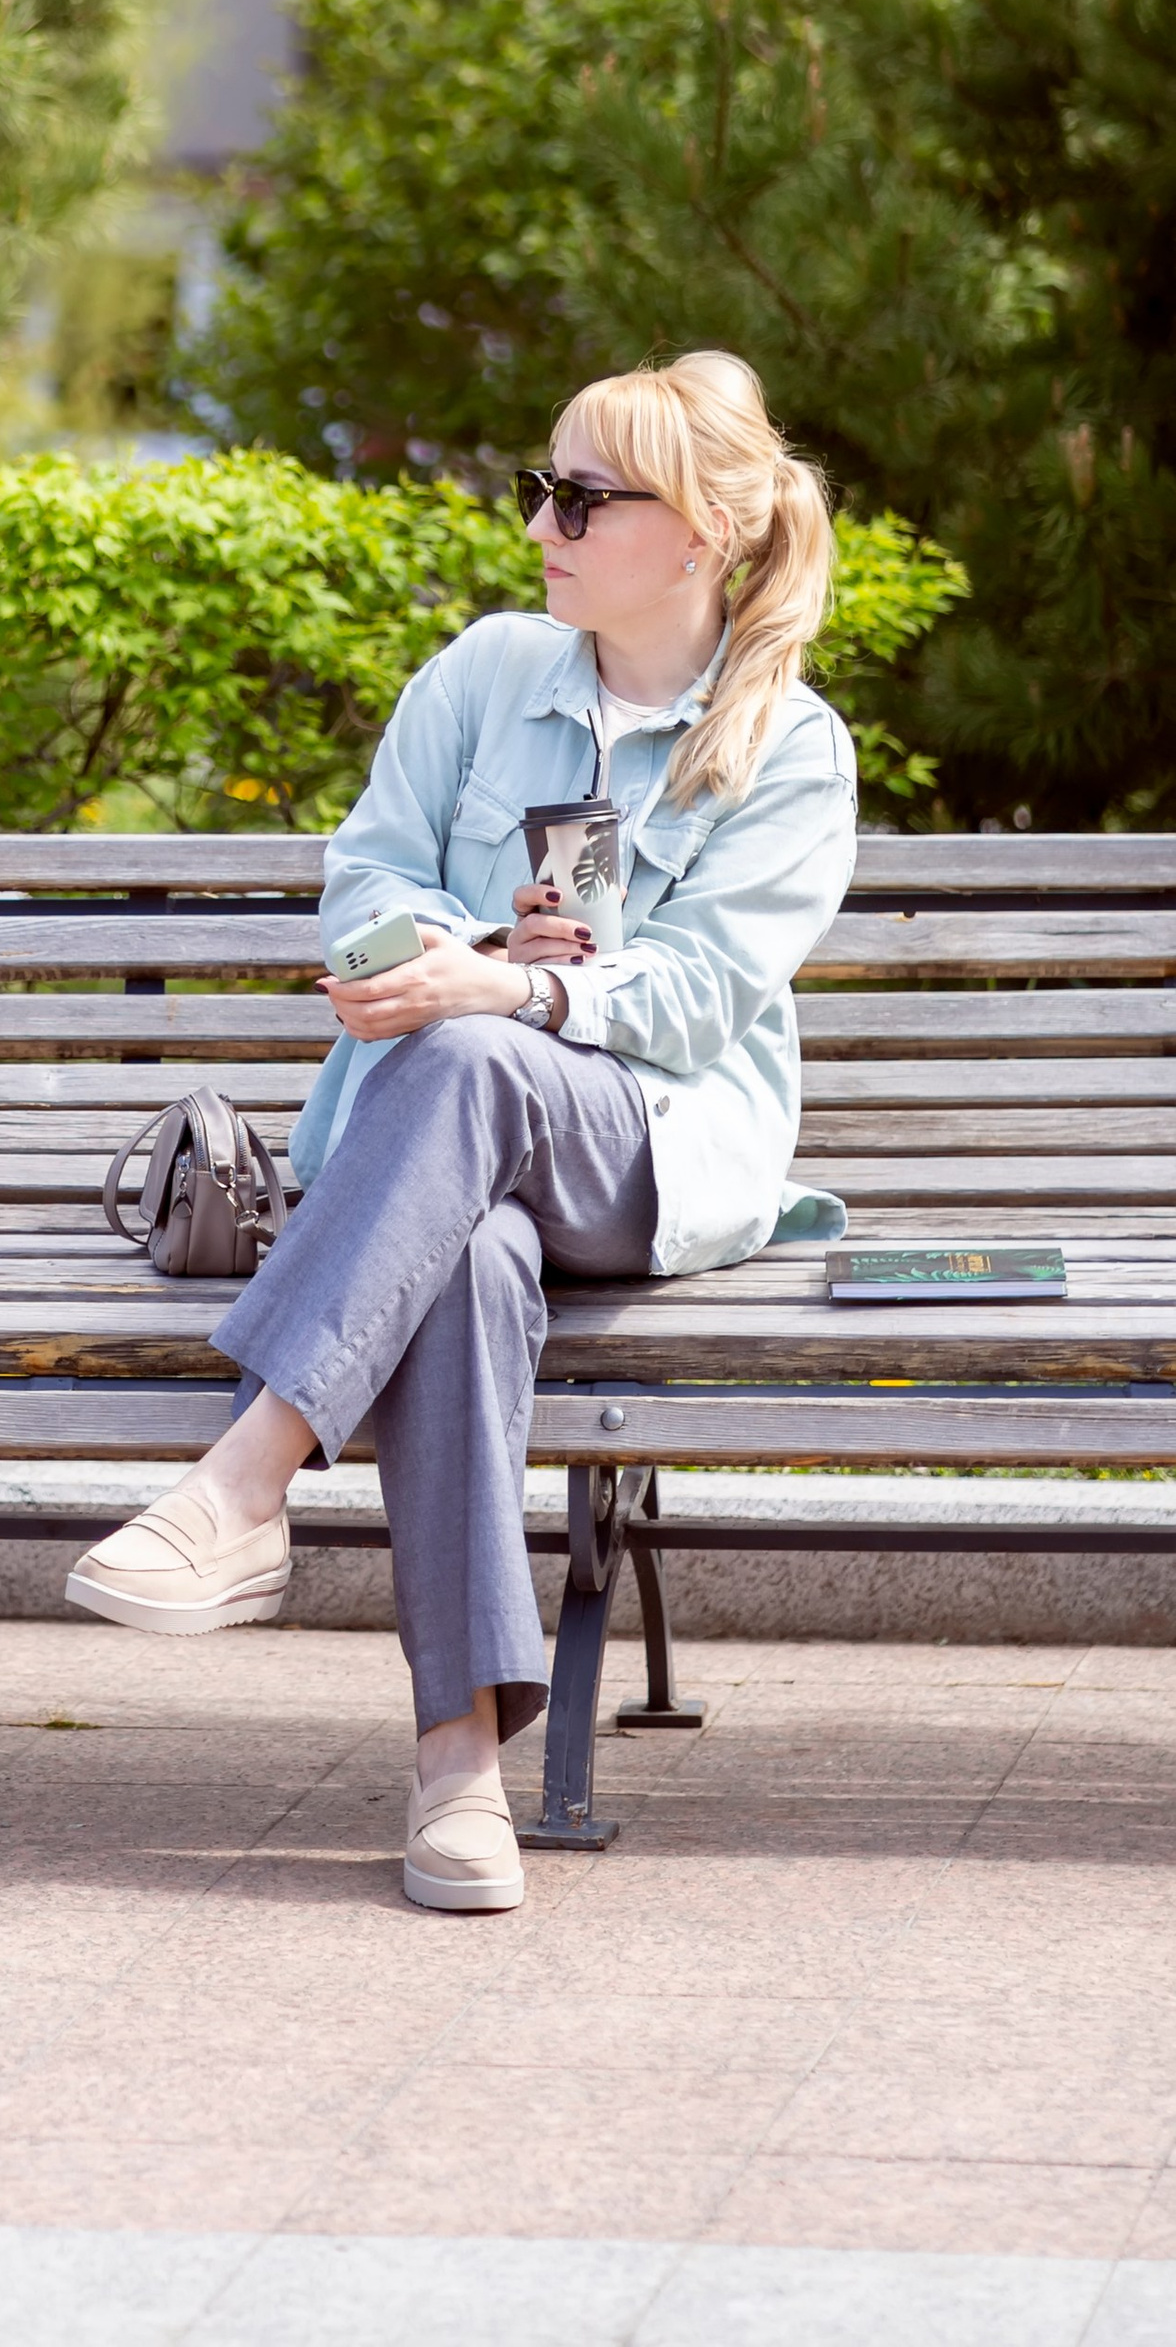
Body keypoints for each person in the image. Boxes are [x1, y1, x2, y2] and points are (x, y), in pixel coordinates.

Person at [66, 351, 859, 1914]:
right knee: (474, 1262)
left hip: (643, 1152)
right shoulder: (489, 673)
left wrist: (514, 991)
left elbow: (702, 997)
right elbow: (363, 879)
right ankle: (459, 1774)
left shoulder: (788, 747)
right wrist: (460, 947)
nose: (542, 524)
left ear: (697, 536)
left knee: (480, 1055)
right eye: (539, 489)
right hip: (441, 1164)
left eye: (583, 499)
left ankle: (243, 1481)